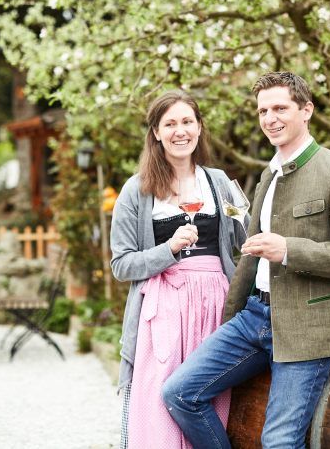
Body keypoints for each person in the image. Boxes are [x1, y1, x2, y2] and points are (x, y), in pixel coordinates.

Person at [162, 71, 330, 449]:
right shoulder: (269, 174)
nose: (270, 119)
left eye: (280, 108)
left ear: (306, 110)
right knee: (179, 394)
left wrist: (289, 250)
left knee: (278, 441)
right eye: (263, 111)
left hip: (308, 325)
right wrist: (230, 319)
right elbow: (250, 257)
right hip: (254, 317)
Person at [110, 90, 247, 449]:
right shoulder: (136, 190)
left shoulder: (217, 182)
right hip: (165, 313)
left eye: (187, 122)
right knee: (161, 410)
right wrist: (168, 249)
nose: (180, 131)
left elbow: (242, 240)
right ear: (155, 132)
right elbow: (121, 264)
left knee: (209, 403)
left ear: (199, 128)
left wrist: (252, 225)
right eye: (170, 124)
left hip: (215, 307)